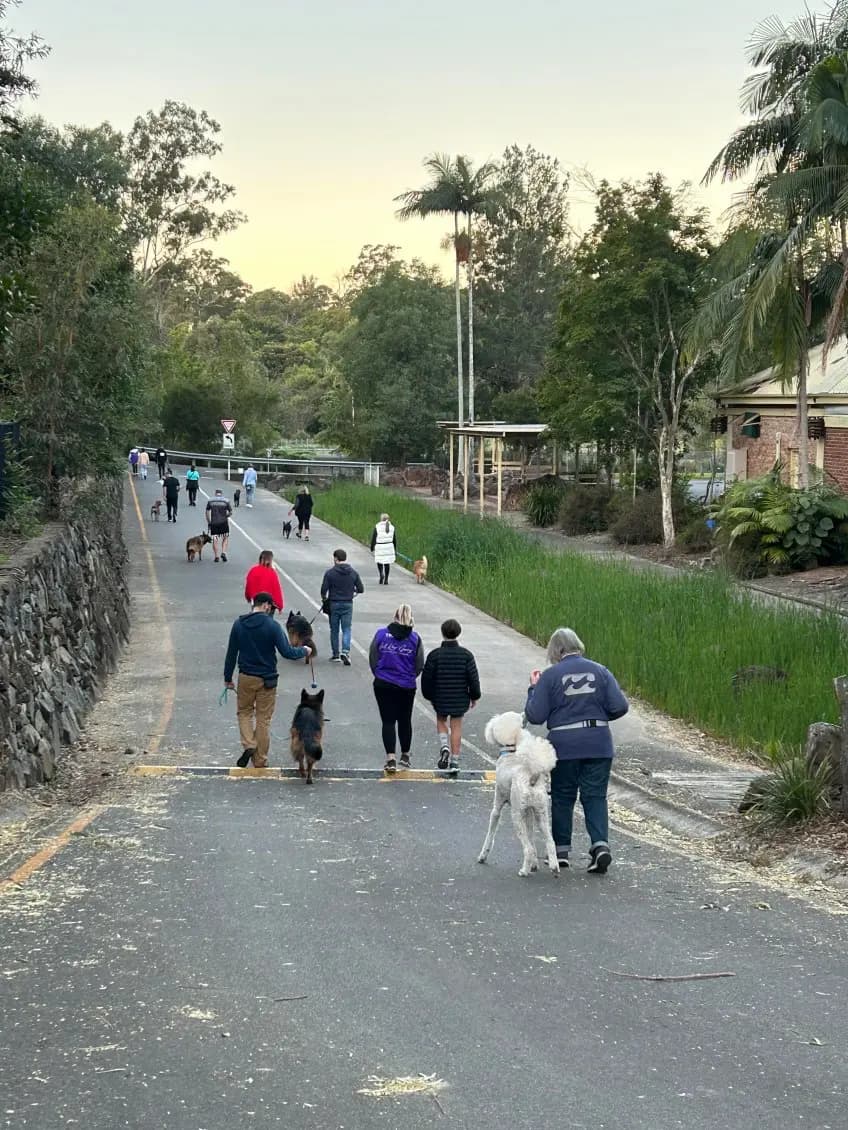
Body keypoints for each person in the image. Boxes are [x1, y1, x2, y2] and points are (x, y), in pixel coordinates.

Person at [524, 627, 629, 875]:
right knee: (595, 796)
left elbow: (535, 715)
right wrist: (599, 717)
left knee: (562, 796)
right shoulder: (600, 670)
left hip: (565, 745)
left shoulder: (550, 676)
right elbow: (620, 706)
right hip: (598, 742)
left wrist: (533, 689)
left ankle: (561, 853)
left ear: (556, 651)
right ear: (577, 645)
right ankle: (600, 846)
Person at [224, 591, 312, 768]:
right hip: (267, 679)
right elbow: (287, 652)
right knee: (263, 719)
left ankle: (249, 744)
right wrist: (304, 650)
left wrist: (228, 678)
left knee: (244, 713)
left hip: (246, 677)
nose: (270, 610)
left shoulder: (239, 624)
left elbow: (231, 653)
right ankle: (260, 759)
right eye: (270, 606)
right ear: (265, 605)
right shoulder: (272, 626)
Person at [369, 604, 424, 773]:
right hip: (406, 685)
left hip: (383, 683)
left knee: (388, 720)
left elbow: (373, 657)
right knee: (405, 719)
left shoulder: (381, 635)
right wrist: (409, 676)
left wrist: (379, 673)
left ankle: (390, 757)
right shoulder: (415, 639)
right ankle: (405, 755)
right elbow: (419, 663)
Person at [421, 619, 480, 774]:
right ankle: (454, 761)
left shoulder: (435, 655)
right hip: (460, 697)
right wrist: (474, 696)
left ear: (443, 633)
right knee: (456, 727)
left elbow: (427, 678)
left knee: (441, 720)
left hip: (440, 696)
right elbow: (473, 679)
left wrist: (428, 695)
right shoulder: (466, 655)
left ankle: (444, 746)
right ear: (458, 633)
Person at [320, 548, 364, 666]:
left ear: (335, 558)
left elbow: (323, 589)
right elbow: (361, 589)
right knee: (346, 629)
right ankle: (345, 651)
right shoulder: (353, 572)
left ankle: (335, 654)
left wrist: (324, 599)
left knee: (334, 630)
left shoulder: (330, 573)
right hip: (348, 604)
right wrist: (352, 591)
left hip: (334, 603)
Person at [205, 488, 232, 562]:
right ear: (221, 493)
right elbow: (230, 512)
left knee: (215, 539)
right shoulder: (226, 501)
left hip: (214, 523)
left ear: (215, 493)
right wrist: (226, 516)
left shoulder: (210, 501)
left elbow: (207, 512)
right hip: (223, 522)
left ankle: (216, 556)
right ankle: (223, 552)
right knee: (225, 537)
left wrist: (209, 521)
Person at [370, 512, 397, 586]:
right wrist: (394, 549)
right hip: (389, 546)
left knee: (379, 561)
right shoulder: (392, 527)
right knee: (387, 563)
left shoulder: (377, 526)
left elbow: (374, 538)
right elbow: (394, 539)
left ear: (381, 519)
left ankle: (381, 574)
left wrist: (372, 547)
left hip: (380, 546)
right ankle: (386, 579)